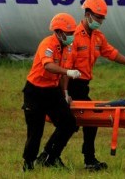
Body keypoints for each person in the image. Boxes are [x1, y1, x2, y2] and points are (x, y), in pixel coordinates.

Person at [40, 0, 125, 171]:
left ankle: (47, 155)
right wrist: (65, 92)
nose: (100, 21)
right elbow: (65, 67)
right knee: (85, 121)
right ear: (87, 14)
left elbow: (111, 52)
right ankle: (83, 159)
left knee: (74, 122)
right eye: (97, 17)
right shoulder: (74, 36)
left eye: (102, 18)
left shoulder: (98, 37)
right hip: (70, 84)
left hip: (83, 85)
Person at [22, 13, 81, 172]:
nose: (71, 36)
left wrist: (65, 93)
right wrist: (68, 72)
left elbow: (61, 74)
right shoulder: (47, 44)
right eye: (69, 33)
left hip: (52, 91)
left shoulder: (66, 48)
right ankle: (28, 165)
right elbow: (48, 66)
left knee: (69, 123)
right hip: (35, 91)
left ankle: (51, 156)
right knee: (35, 131)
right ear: (59, 32)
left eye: (72, 33)